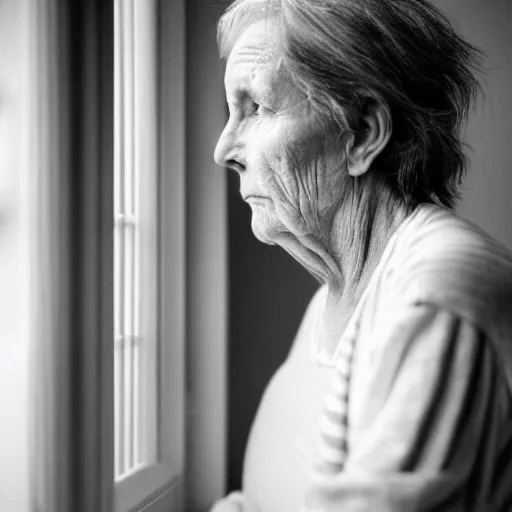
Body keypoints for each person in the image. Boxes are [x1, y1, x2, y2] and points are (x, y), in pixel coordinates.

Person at [212, 0, 512, 510]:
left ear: (363, 133)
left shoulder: (432, 299)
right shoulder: (336, 296)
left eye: (255, 108)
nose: (224, 149)